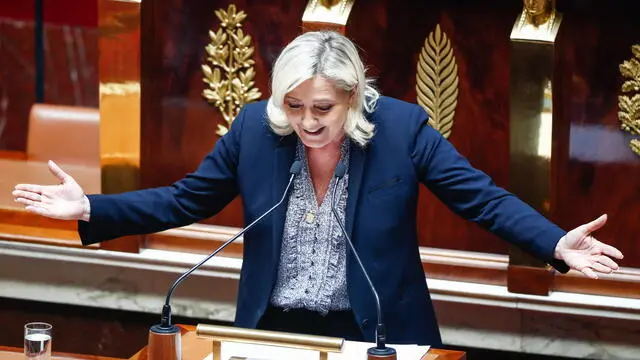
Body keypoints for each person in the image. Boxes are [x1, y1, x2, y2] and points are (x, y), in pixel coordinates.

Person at [12, 30, 623, 347]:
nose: (306, 120)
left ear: (353, 97)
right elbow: (185, 199)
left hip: (374, 333)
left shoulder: (401, 130)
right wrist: (90, 206)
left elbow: (480, 197)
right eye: (294, 104)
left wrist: (555, 245)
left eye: (323, 107)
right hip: (272, 330)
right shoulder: (256, 128)